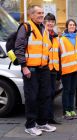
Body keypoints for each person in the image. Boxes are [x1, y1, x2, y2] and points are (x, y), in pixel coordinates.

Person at [15, 5, 56, 136]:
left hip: (43, 69)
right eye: (38, 13)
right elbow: (19, 48)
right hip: (30, 69)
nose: (41, 15)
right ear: (31, 15)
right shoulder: (26, 27)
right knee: (31, 98)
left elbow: (46, 48)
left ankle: (42, 123)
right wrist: (24, 67)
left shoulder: (43, 28)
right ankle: (30, 125)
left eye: (42, 13)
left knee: (44, 96)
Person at [60, 19, 77, 120]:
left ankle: (71, 109)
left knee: (72, 91)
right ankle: (65, 111)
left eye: (73, 25)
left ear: (75, 27)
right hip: (66, 69)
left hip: (76, 69)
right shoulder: (62, 39)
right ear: (67, 27)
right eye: (70, 25)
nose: (72, 26)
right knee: (66, 90)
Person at [43, 13, 61, 124]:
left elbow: (57, 53)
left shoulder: (56, 36)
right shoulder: (42, 34)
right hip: (44, 70)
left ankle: (50, 117)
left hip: (54, 69)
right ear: (45, 22)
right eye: (48, 21)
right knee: (44, 95)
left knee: (51, 95)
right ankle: (43, 118)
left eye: (52, 21)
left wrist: (59, 70)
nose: (50, 23)